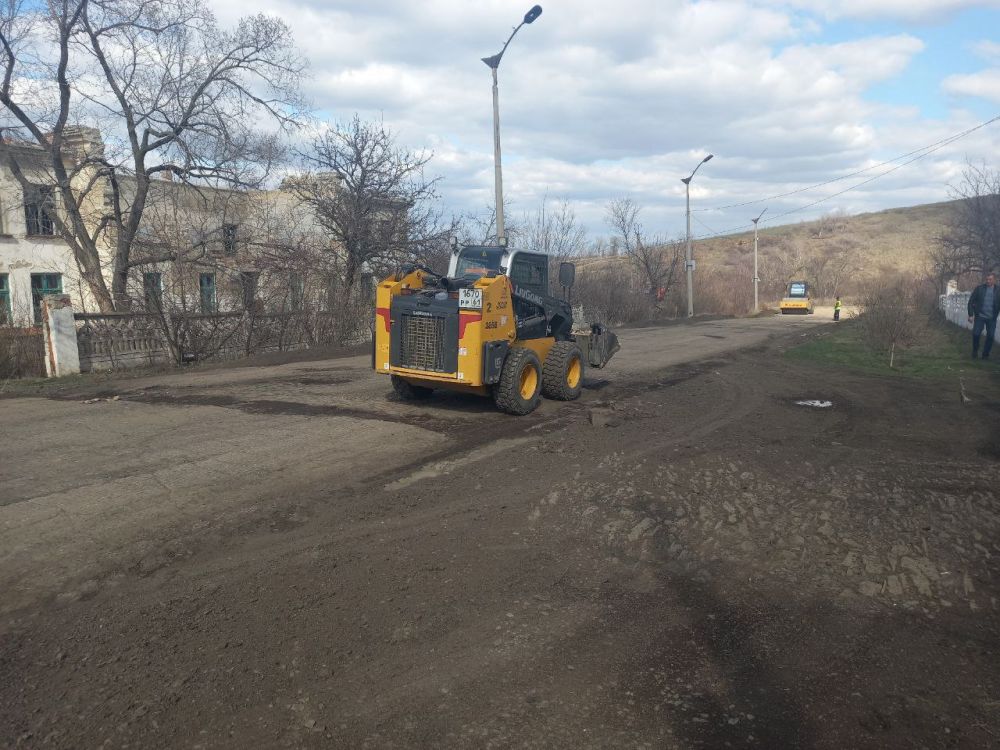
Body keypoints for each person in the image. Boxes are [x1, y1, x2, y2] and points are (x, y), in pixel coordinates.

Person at [967, 272, 1000, 360]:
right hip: (980, 316)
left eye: (990, 279)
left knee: (991, 336)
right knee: (976, 334)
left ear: (994, 280)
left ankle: (985, 354)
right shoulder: (979, 289)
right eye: (987, 279)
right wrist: (970, 315)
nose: (988, 281)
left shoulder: (998, 290)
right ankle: (975, 350)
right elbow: (971, 302)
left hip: (992, 318)